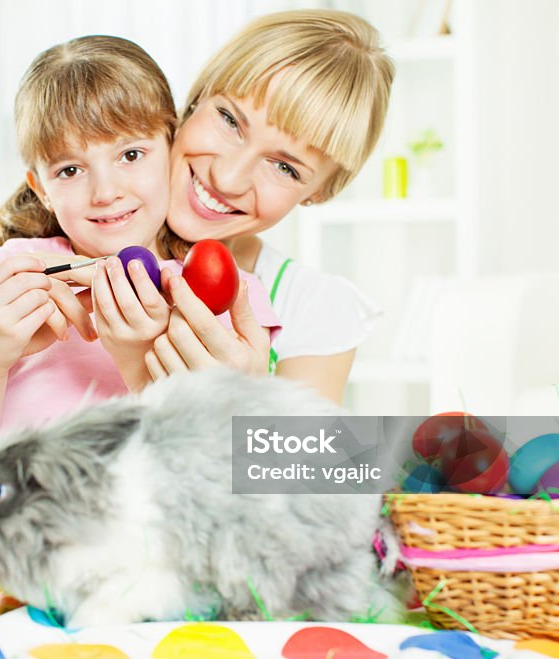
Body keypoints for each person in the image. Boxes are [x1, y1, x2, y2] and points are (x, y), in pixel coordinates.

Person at [0, 35, 279, 487]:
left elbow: (247, 481)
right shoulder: (12, 275)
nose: (106, 191)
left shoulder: (222, 292)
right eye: (70, 170)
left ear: (171, 148)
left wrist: (142, 364)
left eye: (131, 154)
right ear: (40, 187)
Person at [136, 9, 395, 405]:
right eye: (229, 120)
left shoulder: (314, 308)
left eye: (285, 168)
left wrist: (248, 403)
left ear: (320, 192)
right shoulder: (75, 233)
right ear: (197, 98)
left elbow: (307, 468)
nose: (228, 178)